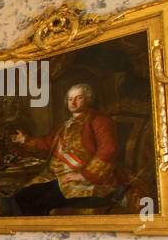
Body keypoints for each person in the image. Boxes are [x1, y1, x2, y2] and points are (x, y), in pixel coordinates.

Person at [9, 83, 122, 216]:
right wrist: (24, 140)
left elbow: (109, 149)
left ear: (88, 99)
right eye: (70, 99)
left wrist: (84, 175)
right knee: (21, 196)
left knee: (39, 202)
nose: (73, 102)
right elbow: (47, 143)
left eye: (78, 98)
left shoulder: (100, 120)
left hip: (89, 180)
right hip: (59, 176)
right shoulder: (65, 124)